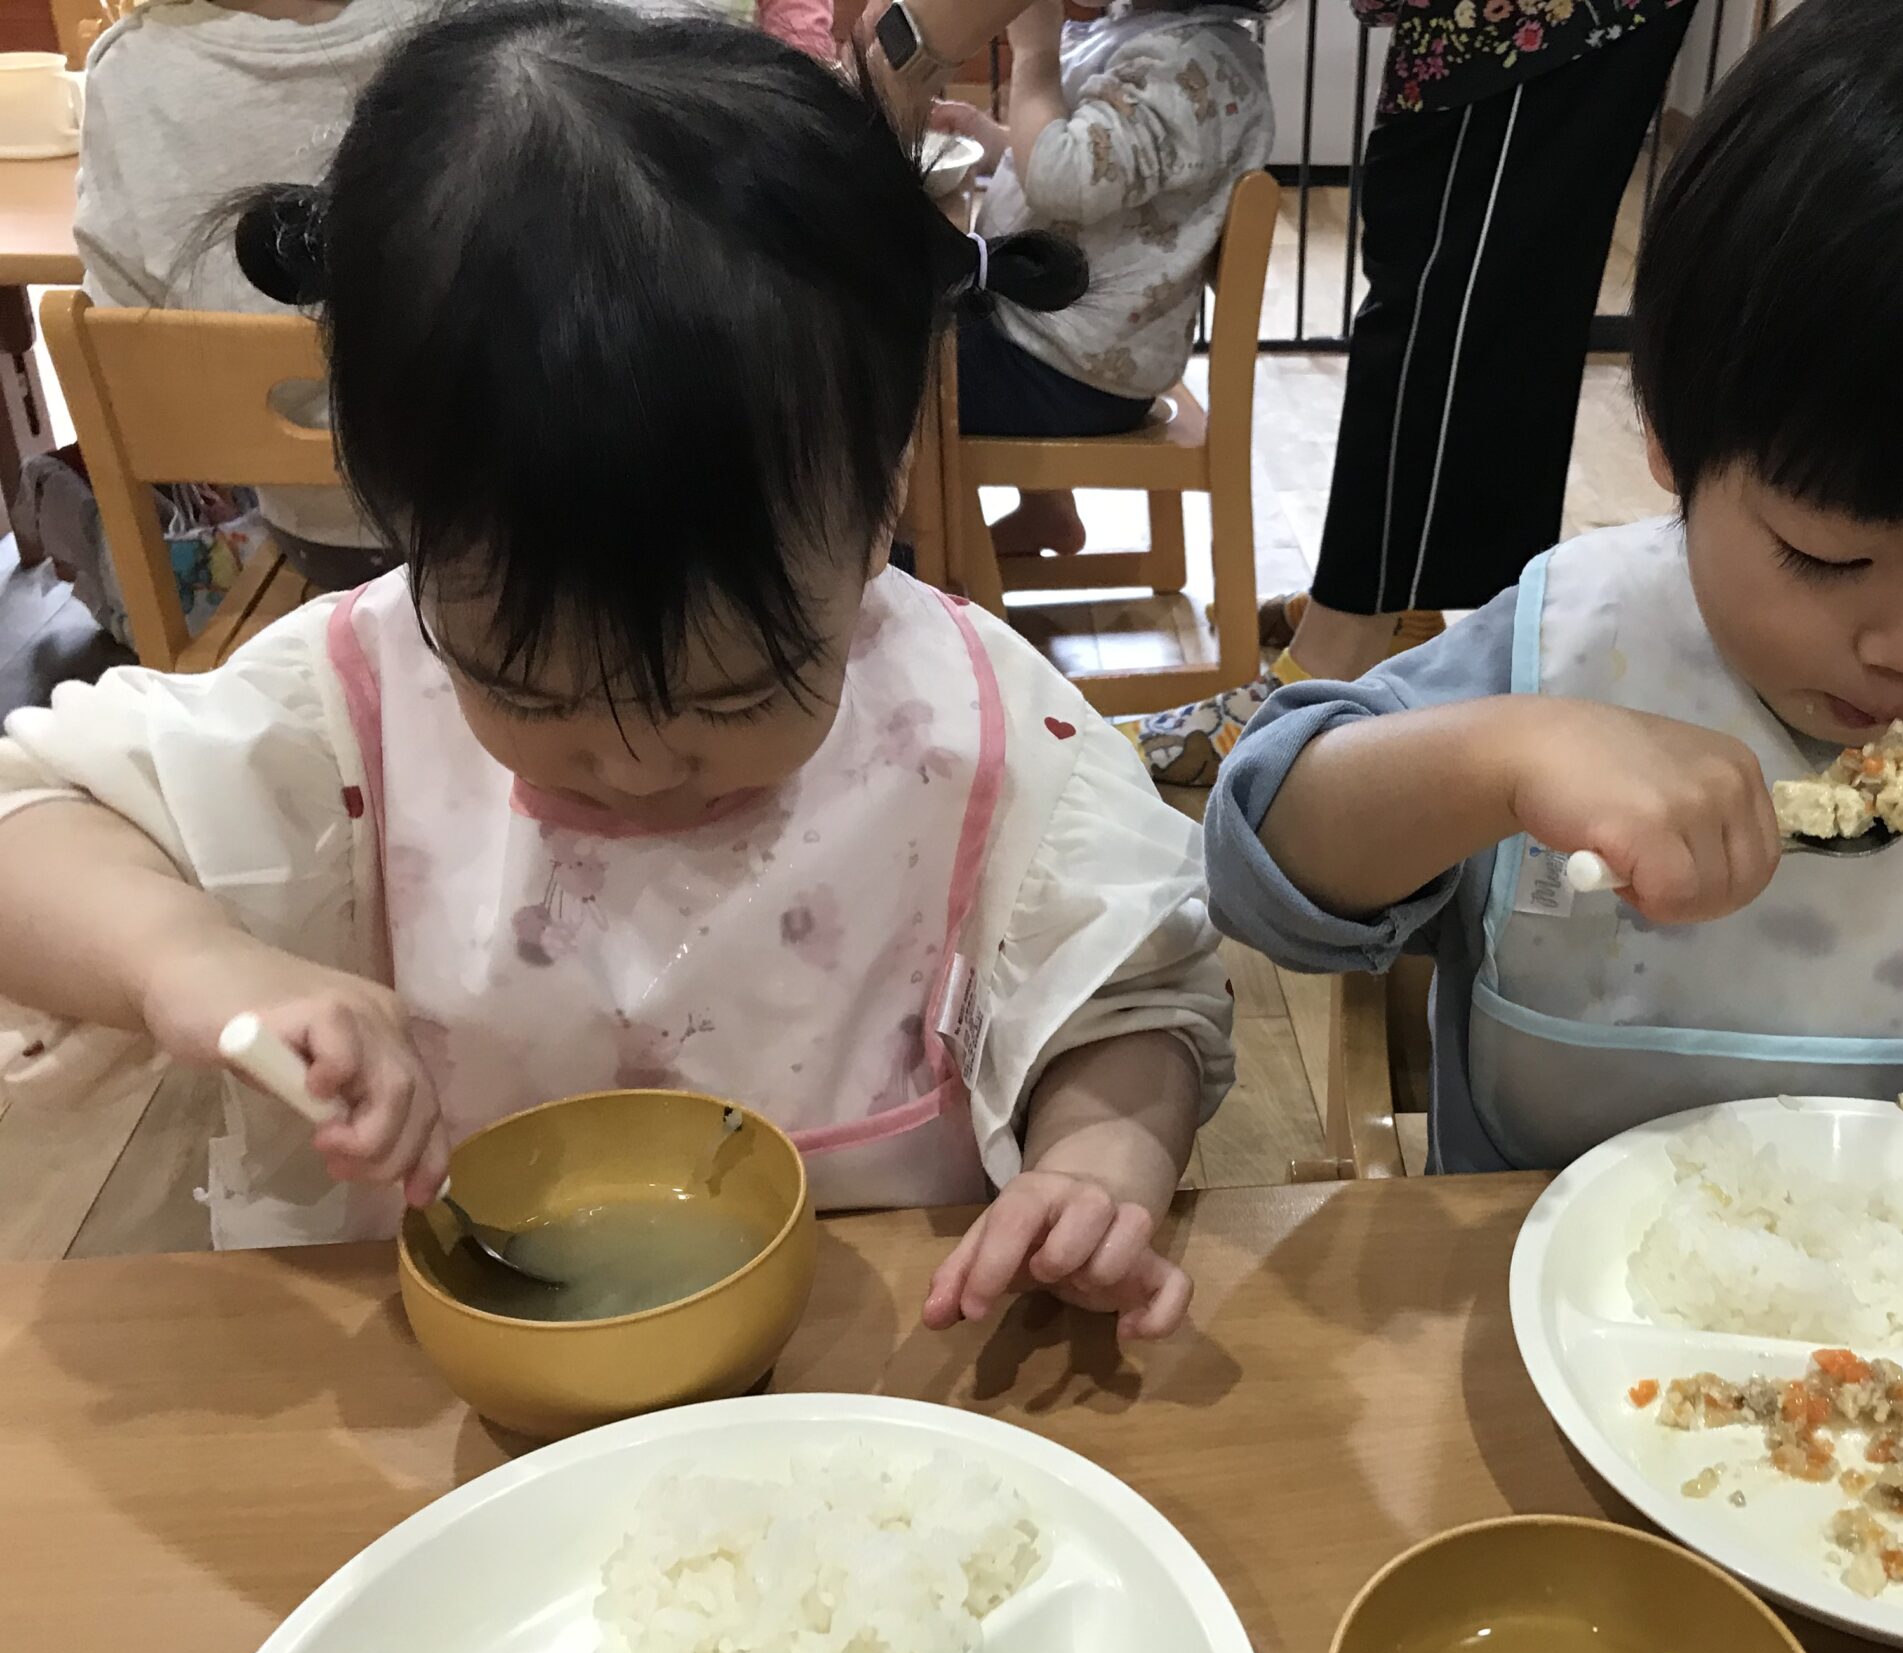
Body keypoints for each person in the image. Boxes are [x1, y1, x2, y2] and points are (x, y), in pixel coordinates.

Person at [0, 1, 1232, 1339]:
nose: (637, 763)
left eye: (735, 696)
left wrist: (1099, 1161)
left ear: (878, 506)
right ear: (404, 522)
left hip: (873, 1381)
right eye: (525, 694)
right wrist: (191, 962)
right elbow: (26, 833)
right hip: (448, 1406)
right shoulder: (358, 707)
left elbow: (1129, 984)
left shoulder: (965, 725)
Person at [1205, 0, 1903, 1246]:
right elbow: (1261, 869)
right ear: (1670, 432)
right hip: (1536, 1303)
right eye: (1828, 554)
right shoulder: (1567, 647)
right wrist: (1501, 759)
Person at [1118, 0, 1700, 784]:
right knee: (1479, 302)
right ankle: (1408, 612)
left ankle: (1332, 666)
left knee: (1443, 315)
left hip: (1536, 20)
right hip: (1501, 27)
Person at [72, 0, 444, 594]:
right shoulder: (508, 21)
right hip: (548, 532)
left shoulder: (130, 77)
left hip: (326, 551)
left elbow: (128, 363)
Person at [931, 0, 1273, 562]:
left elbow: (1062, 179)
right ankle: (1046, 513)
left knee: (889, 374)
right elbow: (1085, 154)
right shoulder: (1157, 42)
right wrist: (988, 136)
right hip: (1070, 348)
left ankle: (913, 566)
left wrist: (1036, 55)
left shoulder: (1182, 67)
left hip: (1068, 373)